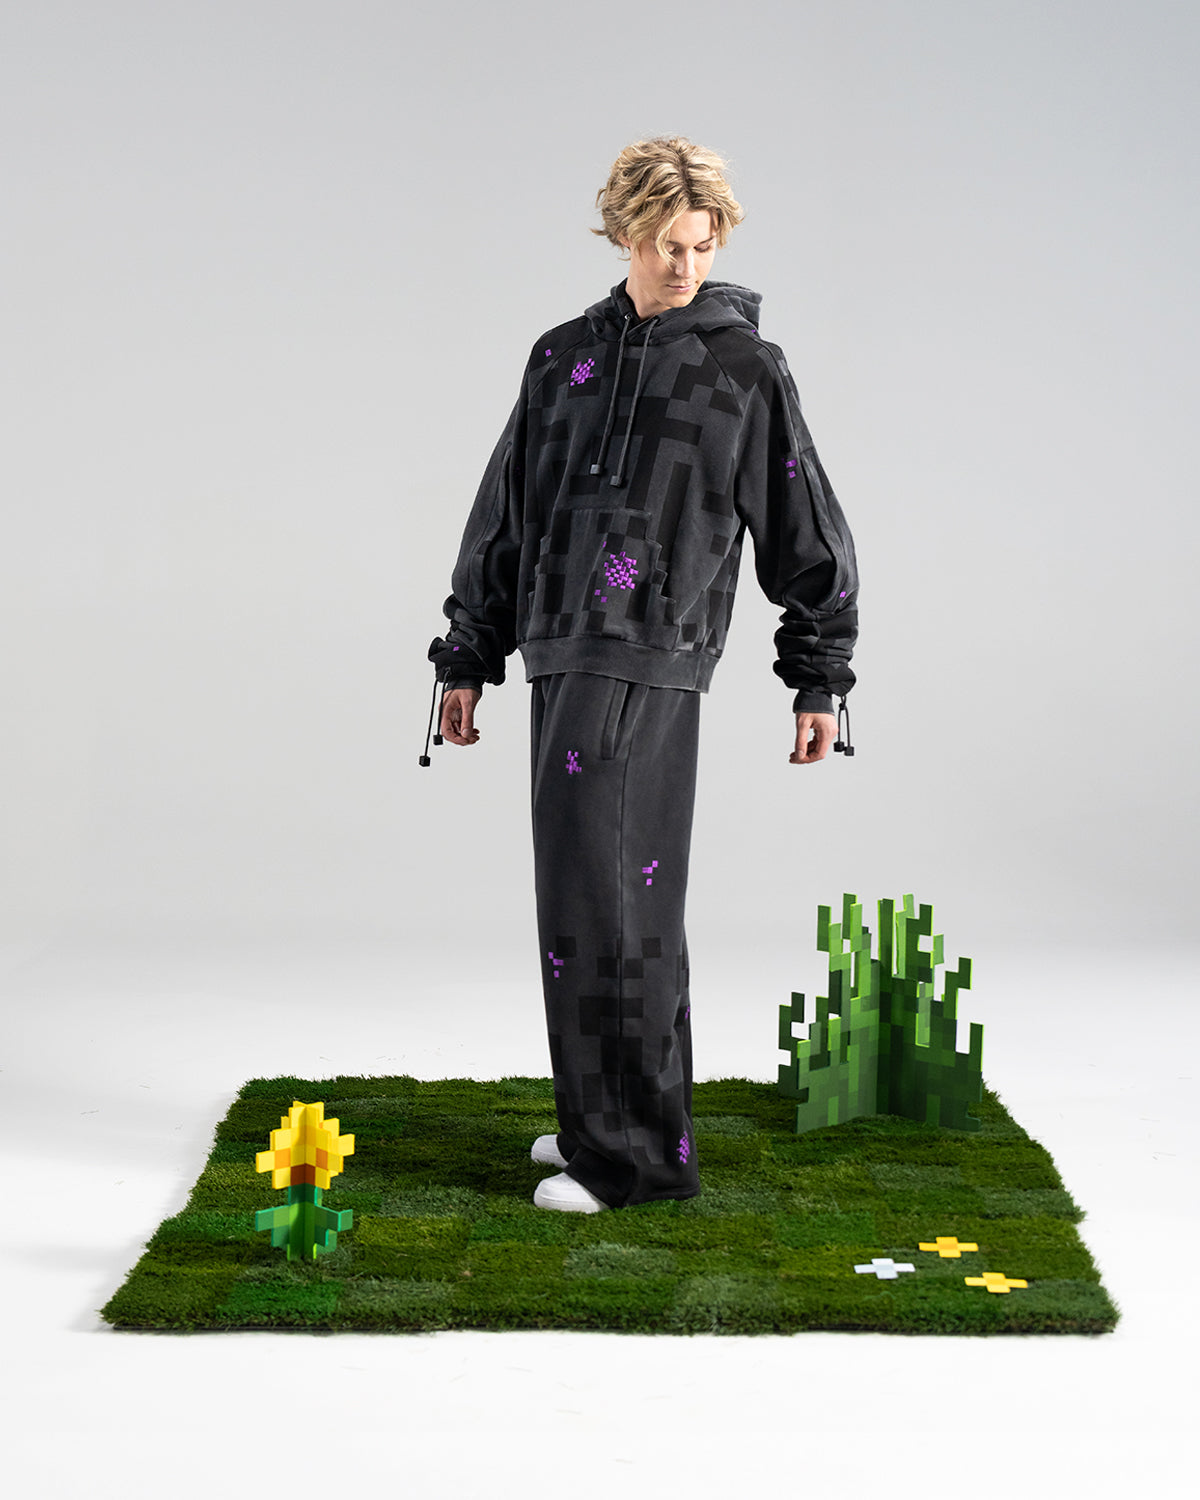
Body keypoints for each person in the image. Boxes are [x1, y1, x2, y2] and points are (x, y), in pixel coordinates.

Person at [422, 136, 859, 1214]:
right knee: (581, 903)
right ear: (623, 234)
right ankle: (601, 1119)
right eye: (667, 244)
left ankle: (632, 1163)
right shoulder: (560, 357)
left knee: (620, 908)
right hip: (558, 652)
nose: (685, 266)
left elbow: (804, 524)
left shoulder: (744, 369)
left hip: (652, 656)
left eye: (703, 246)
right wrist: (468, 655)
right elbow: (505, 515)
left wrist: (819, 678)